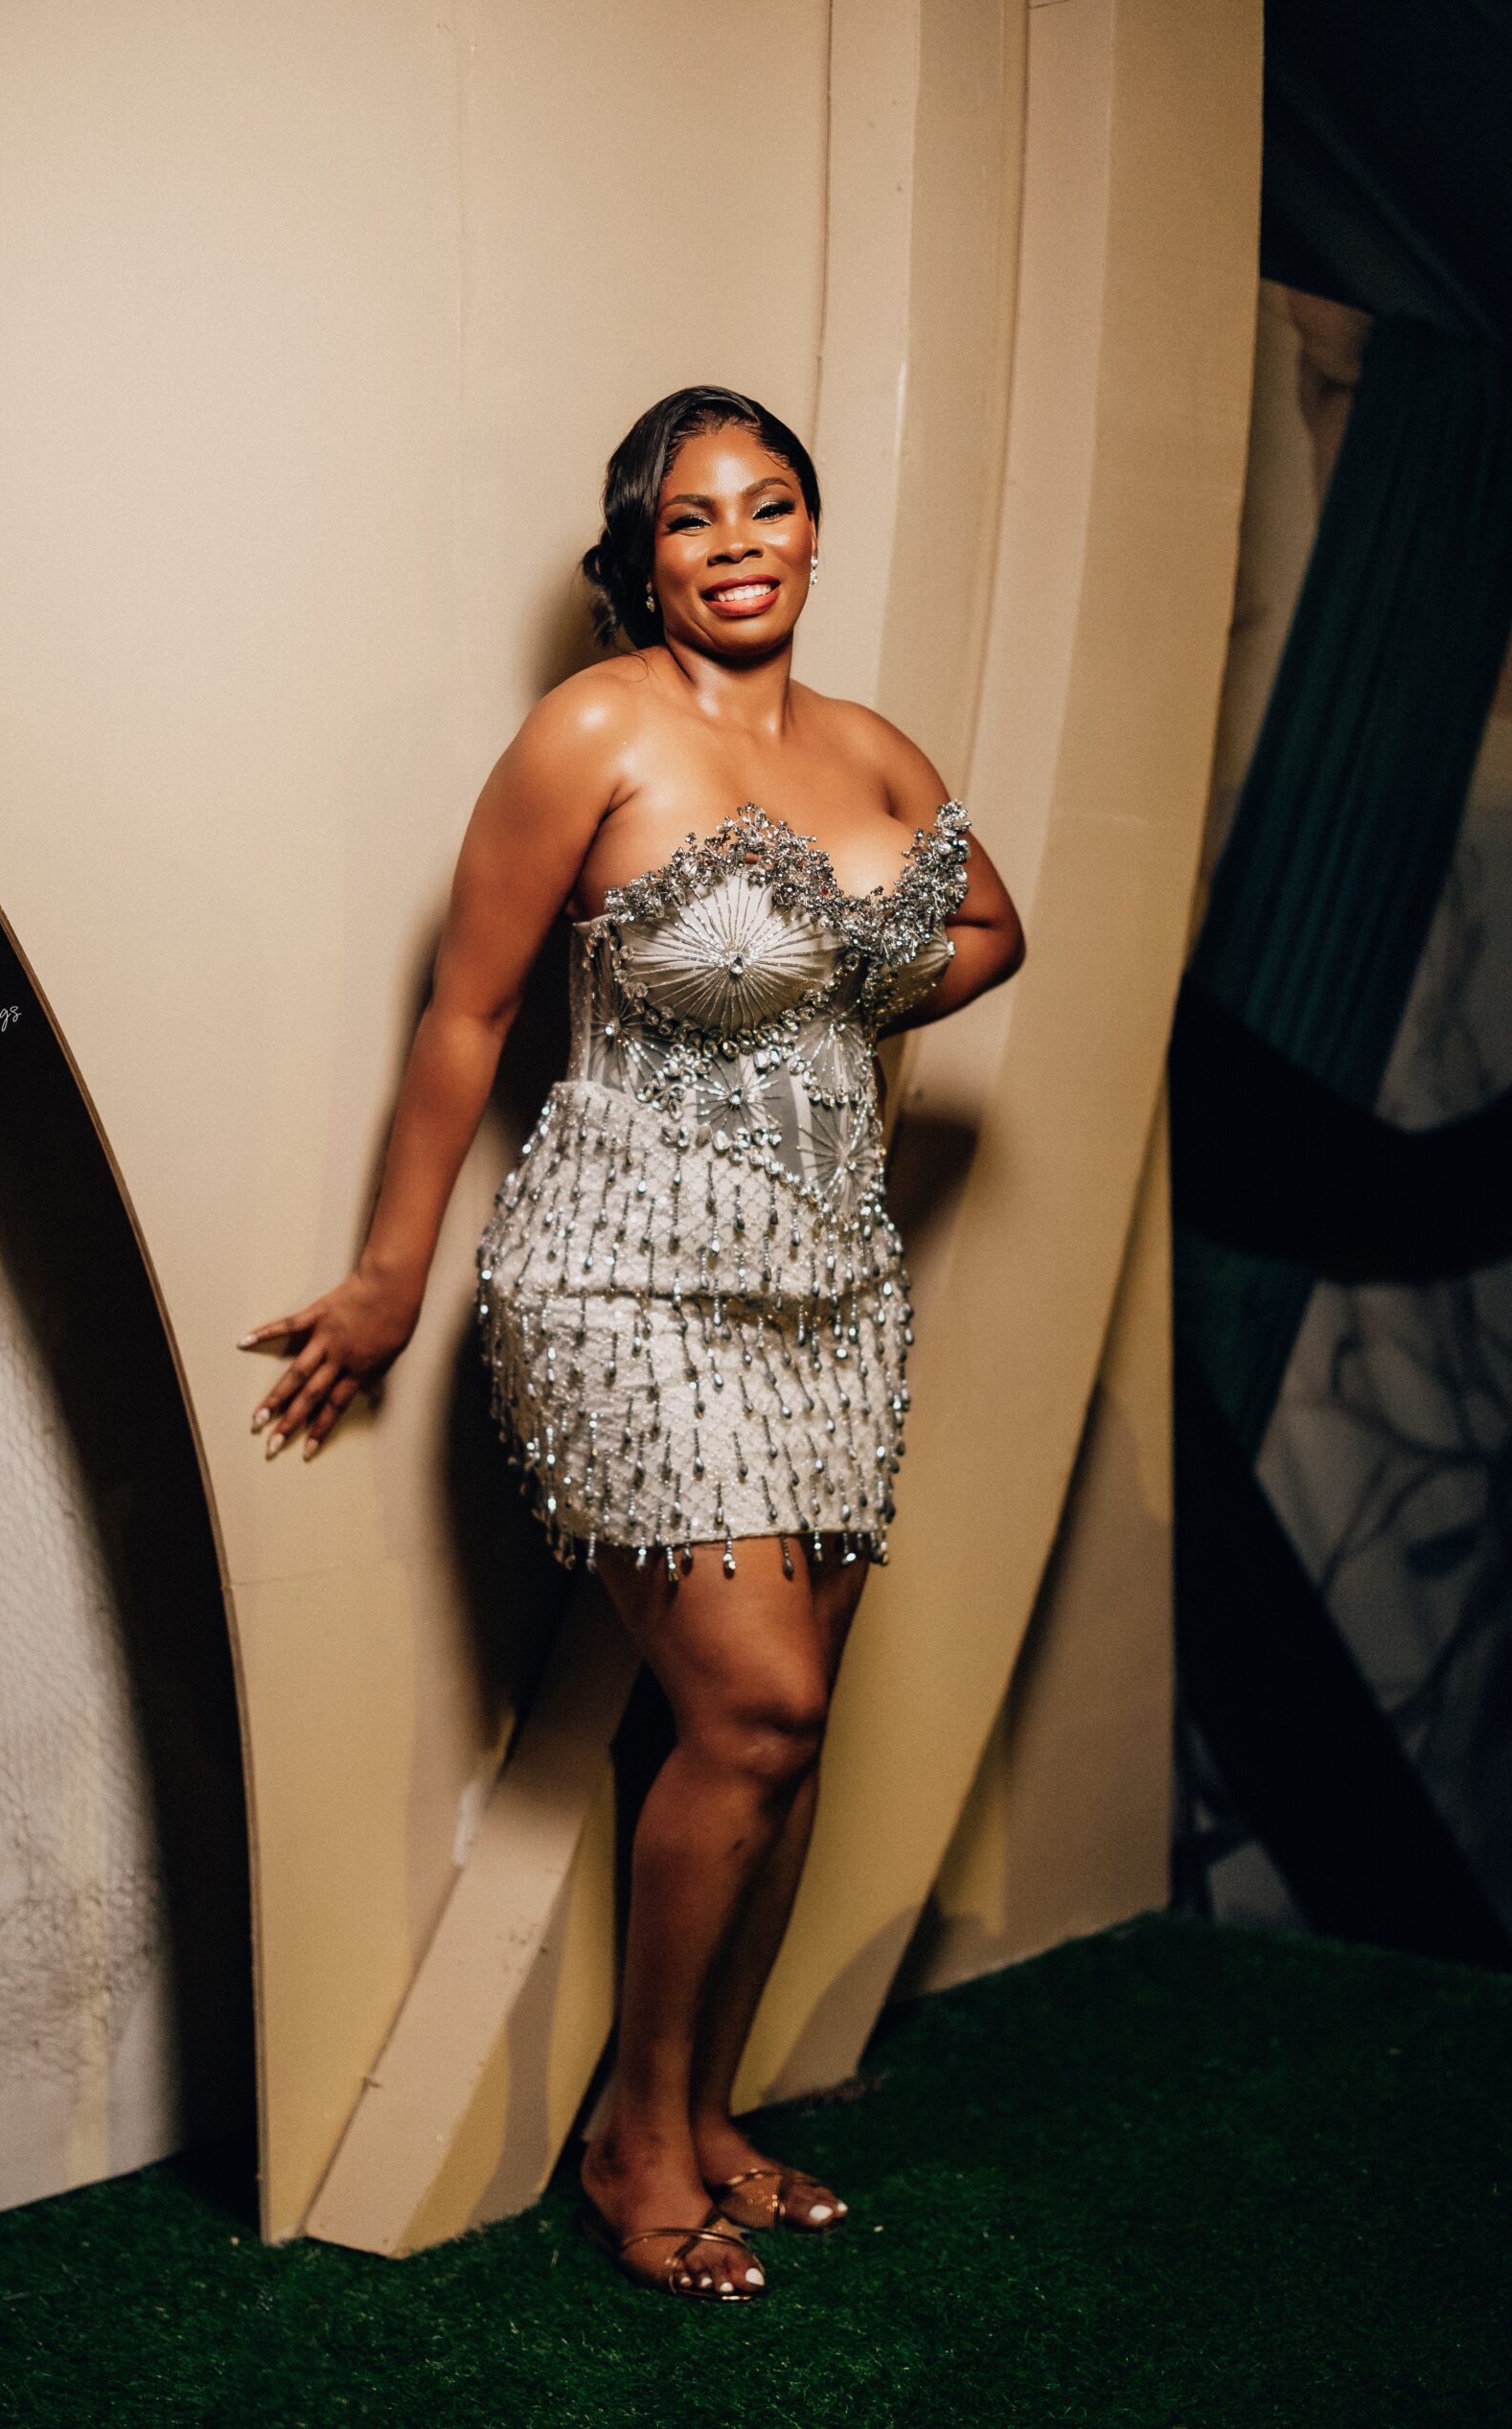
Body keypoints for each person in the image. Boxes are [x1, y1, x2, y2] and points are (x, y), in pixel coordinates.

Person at [240, 387, 1025, 2301]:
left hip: (833, 1292)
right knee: (751, 1708)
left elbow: (993, 926)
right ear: (639, 557)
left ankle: (712, 2114)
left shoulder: (872, 749)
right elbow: (464, 1012)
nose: (736, 542)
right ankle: (631, 2138)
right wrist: (389, 1276)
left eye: (769, 504)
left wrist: (829, 985)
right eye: (692, 517)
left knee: (787, 1737)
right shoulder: (589, 731)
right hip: (623, 1281)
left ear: (812, 532)